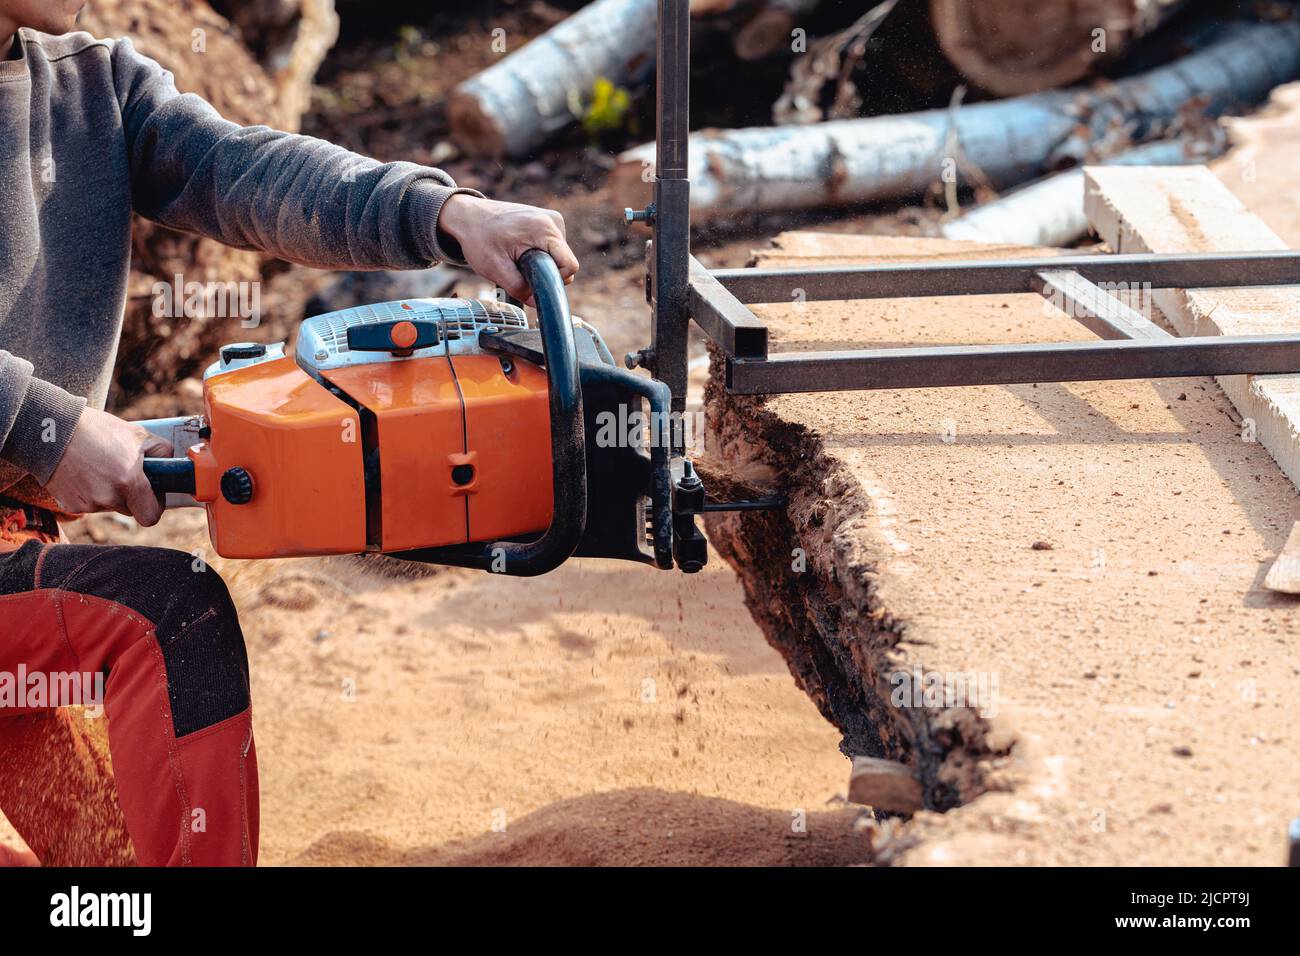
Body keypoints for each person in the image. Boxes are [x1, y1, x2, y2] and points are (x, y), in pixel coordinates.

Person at [0, 0, 580, 865]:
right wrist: (46, 429)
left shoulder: (90, 81)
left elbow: (245, 171)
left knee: (111, 876)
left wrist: (450, 216)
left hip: (21, 543)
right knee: (167, 618)